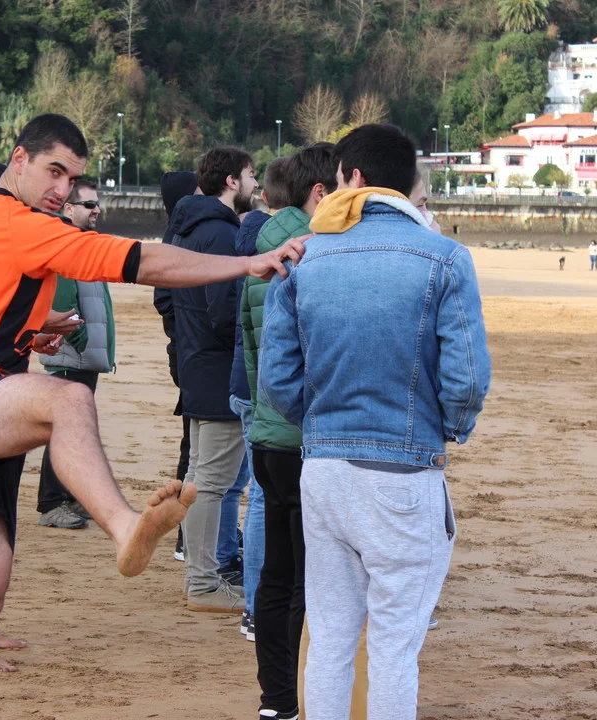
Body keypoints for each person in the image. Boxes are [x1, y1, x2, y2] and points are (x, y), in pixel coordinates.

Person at [0, 113, 304, 719]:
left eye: (72, 179)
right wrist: (247, 264)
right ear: (18, 159)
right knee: (69, 399)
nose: (62, 189)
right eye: (54, 172)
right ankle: (124, 527)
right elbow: (141, 261)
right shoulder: (22, 225)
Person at [259, 123, 491, 720]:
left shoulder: (305, 255)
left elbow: (278, 380)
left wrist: (320, 421)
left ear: (353, 177)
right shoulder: (444, 257)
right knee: (393, 648)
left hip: (325, 467)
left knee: (330, 639)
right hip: (404, 469)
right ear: (407, 183)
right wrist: (447, 427)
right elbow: (467, 378)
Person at [240, 143, 336, 719]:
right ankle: (308, 697)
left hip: (267, 435)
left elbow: (254, 350)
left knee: (276, 575)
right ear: (320, 194)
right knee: (310, 581)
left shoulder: (263, 252)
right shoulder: (309, 255)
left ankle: (277, 701)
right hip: (304, 438)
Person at [171, 147, 259, 613]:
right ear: (230, 181)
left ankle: (199, 576)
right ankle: (203, 582)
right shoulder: (221, 233)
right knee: (212, 481)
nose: (255, 183)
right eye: (250, 175)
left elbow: (168, 298)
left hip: (194, 363)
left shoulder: (186, 228)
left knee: (199, 477)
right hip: (217, 369)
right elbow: (225, 311)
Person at [231, 156, 289, 639]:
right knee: (268, 503)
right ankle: (259, 607)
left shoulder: (254, 239)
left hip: (249, 389)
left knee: (260, 499)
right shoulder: (288, 251)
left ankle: (256, 608)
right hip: (267, 399)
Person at [36, 179, 111, 530]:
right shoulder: (66, 244)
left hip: (81, 356)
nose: (97, 210)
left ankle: (68, 495)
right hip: (71, 356)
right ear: (68, 208)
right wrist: (81, 341)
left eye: (97, 204)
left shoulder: (82, 243)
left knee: (76, 429)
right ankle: (51, 503)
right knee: (64, 430)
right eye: (89, 204)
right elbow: (62, 300)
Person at [153, 170, 199, 561]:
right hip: (189, 352)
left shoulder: (177, 234)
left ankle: (192, 530)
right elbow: (163, 300)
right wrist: (186, 328)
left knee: (194, 443)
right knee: (195, 445)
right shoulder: (179, 237)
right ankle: (188, 532)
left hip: (183, 350)